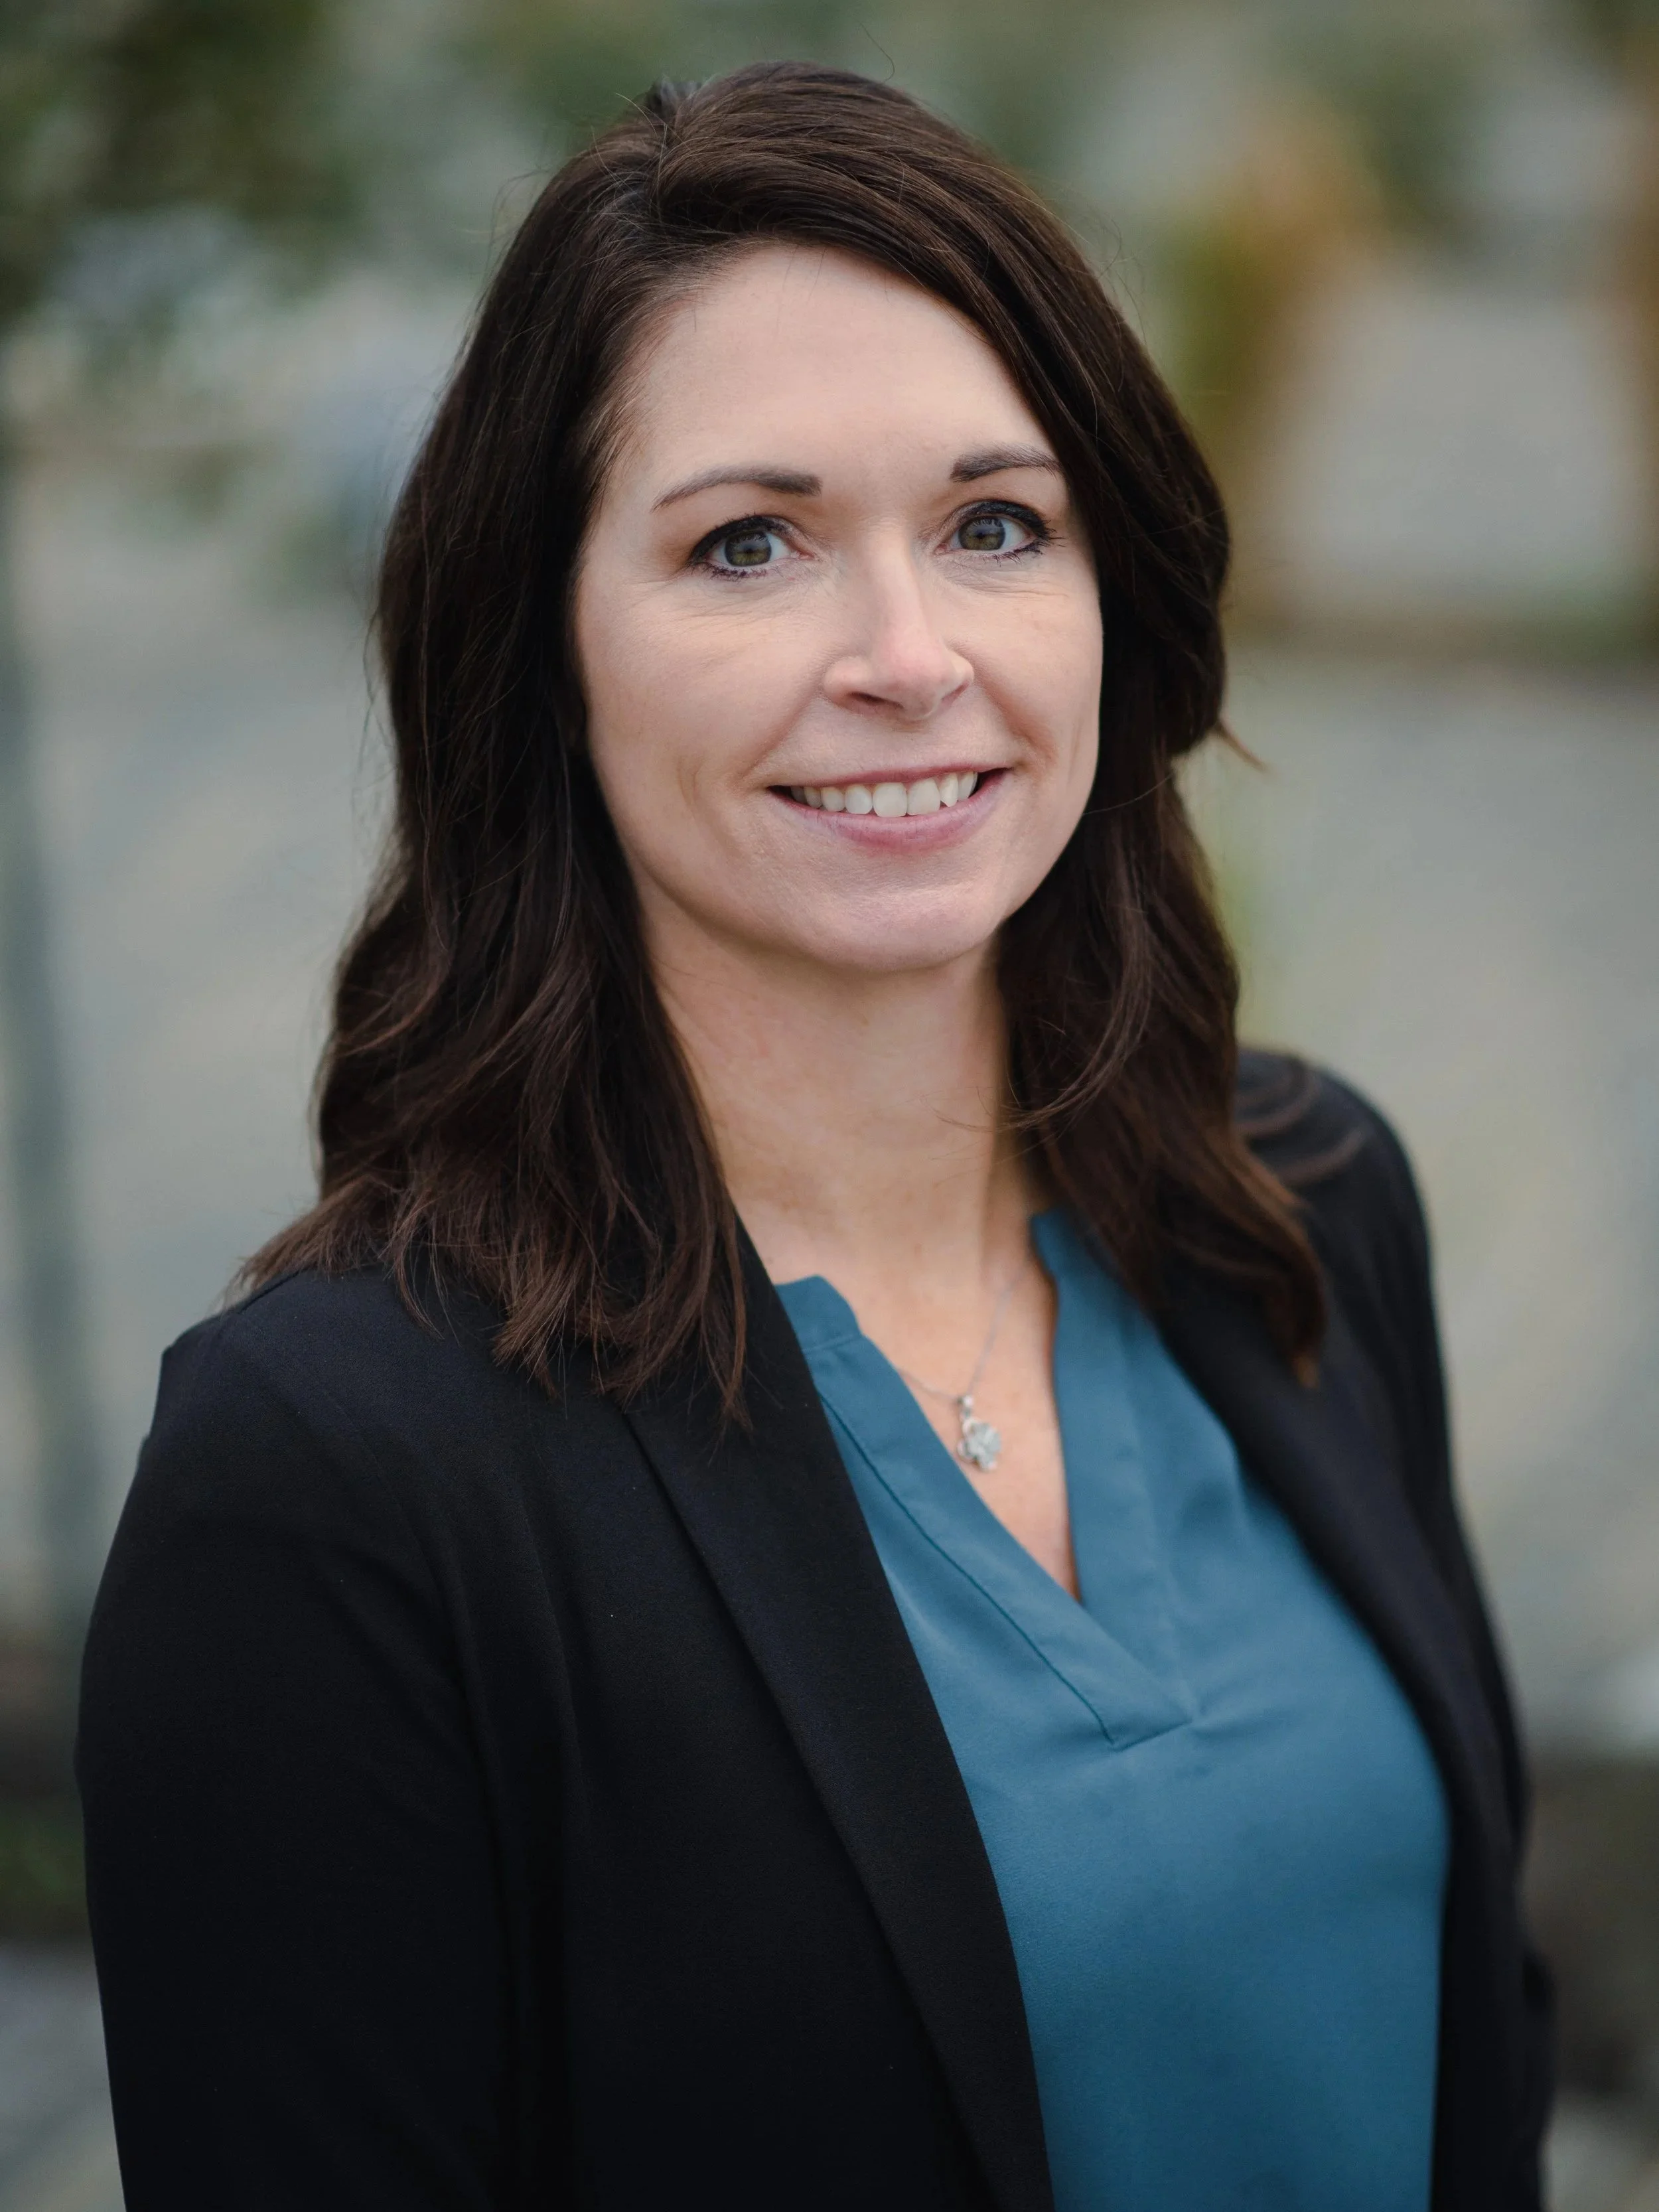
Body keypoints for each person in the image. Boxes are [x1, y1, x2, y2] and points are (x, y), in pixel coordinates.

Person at [78, 61, 1551, 2212]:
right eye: (744, 544)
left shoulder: (1300, 1207)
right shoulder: (334, 1473)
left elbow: (1479, 2042)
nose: (904, 655)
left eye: (993, 525)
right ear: (537, 653)